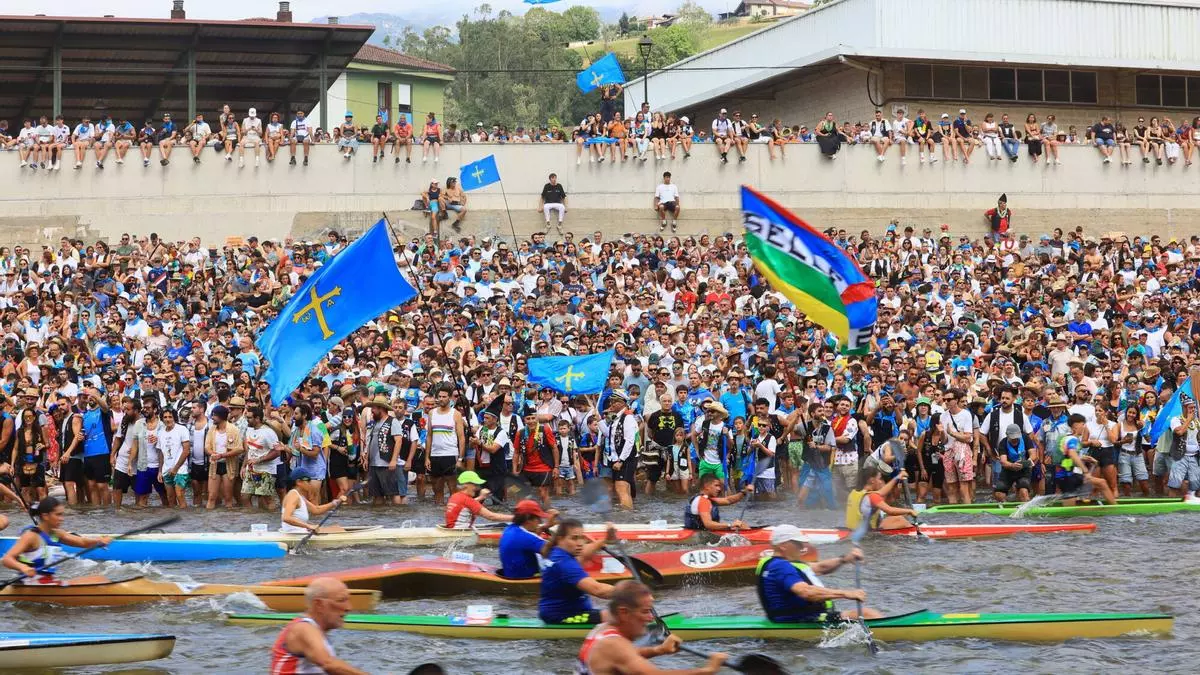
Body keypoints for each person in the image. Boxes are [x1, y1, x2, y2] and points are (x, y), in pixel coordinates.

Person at [578, 580, 725, 675]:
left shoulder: (602, 629)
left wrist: (659, 650)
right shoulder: (613, 644)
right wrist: (707, 670)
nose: (650, 618)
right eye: (645, 611)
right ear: (623, 612)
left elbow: (628, 654)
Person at [756, 524, 879, 623]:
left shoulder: (776, 563)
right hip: (801, 619)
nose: (802, 547)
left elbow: (820, 567)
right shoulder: (781, 567)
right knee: (868, 614)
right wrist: (847, 593)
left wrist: (845, 559)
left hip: (803, 616)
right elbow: (806, 592)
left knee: (865, 614)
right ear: (783, 546)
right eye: (798, 544)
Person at [269, 576, 368, 675]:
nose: (349, 607)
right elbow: (328, 664)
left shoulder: (316, 631)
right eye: (341, 600)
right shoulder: (304, 629)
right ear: (319, 604)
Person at [1, 497, 111, 581]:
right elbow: (7, 559)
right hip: (29, 584)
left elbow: (82, 542)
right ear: (45, 516)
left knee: (99, 579)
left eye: (62, 514)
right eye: (58, 515)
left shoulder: (56, 534)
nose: (61, 519)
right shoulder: (31, 536)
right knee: (98, 580)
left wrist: (98, 541)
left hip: (47, 583)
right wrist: (23, 567)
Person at [539, 518, 618, 625]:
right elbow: (599, 590)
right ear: (560, 539)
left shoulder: (557, 552)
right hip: (562, 616)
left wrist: (605, 540)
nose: (580, 543)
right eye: (574, 538)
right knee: (620, 617)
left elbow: (584, 553)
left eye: (581, 538)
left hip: (564, 612)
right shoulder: (564, 563)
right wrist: (633, 594)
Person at [1051, 413, 1117, 505]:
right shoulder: (1072, 439)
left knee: (1101, 482)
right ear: (1075, 425)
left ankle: (1112, 507)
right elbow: (1072, 454)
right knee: (1069, 512)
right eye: (1083, 424)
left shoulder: (1066, 437)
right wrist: (1086, 471)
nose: (1084, 427)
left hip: (1064, 476)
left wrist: (1085, 458)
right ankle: (1115, 509)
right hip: (1067, 477)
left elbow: (1067, 455)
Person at [845, 465, 919, 532]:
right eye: (879, 478)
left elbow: (882, 492)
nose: (881, 482)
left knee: (898, 518)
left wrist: (898, 477)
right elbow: (890, 511)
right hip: (868, 534)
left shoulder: (854, 493)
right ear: (872, 480)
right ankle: (915, 531)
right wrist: (910, 511)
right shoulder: (872, 496)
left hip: (851, 530)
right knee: (902, 521)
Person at [497, 499, 555, 579]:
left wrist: (546, 526)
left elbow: (530, 538)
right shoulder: (526, 537)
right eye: (538, 518)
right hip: (526, 578)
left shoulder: (509, 529)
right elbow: (552, 552)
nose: (540, 521)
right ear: (528, 519)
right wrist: (560, 535)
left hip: (511, 574)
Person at [443, 470, 514, 529]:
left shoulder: (455, 496)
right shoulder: (467, 500)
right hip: (460, 533)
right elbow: (491, 516)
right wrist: (516, 518)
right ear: (465, 485)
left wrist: (481, 497)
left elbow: (466, 506)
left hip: (453, 529)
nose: (477, 488)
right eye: (475, 484)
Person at [281, 483, 348, 535]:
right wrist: (308, 526)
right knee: (337, 530)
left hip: (301, 531)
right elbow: (286, 518)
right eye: (308, 481)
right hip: (294, 533)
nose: (310, 484)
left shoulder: (299, 496)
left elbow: (316, 509)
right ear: (299, 482)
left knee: (335, 528)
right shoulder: (293, 495)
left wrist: (335, 503)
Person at [992, 423, 1035, 503]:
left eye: (1016, 438)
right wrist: (1012, 465)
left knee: (1023, 492)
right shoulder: (1003, 443)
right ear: (1007, 435)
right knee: (998, 494)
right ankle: (1006, 509)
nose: (1015, 440)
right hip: (1008, 470)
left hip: (1023, 470)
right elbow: (1003, 461)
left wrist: (1027, 462)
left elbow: (1033, 454)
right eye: (1012, 438)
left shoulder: (1026, 438)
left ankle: (1025, 509)